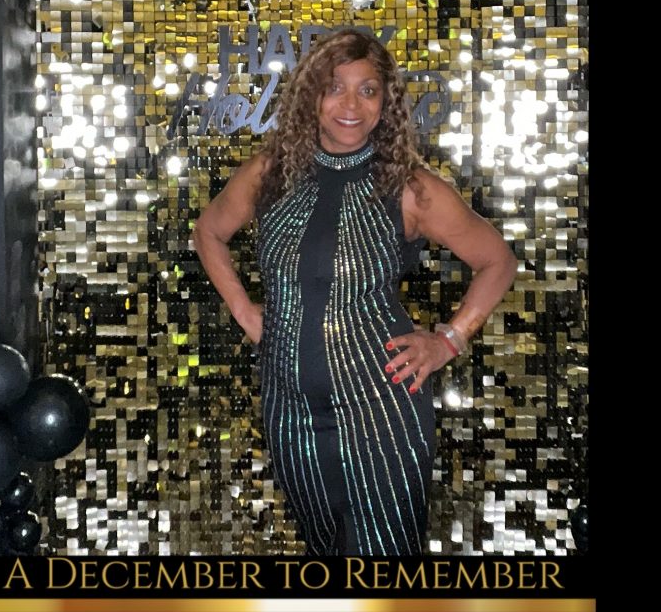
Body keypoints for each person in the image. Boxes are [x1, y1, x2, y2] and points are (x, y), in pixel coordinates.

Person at [193, 29, 517, 556]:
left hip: (380, 413)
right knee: (324, 550)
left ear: (385, 103)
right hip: (290, 412)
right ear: (311, 96)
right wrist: (245, 310)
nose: (351, 105)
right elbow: (208, 232)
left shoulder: (410, 189)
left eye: (367, 91)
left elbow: (498, 261)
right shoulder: (270, 173)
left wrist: (448, 340)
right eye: (335, 87)